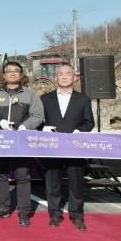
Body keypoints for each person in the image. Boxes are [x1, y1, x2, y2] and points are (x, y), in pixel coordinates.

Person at [0, 61, 44, 227]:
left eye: (16, 71)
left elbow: (38, 116)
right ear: (4, 75)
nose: (13, 73)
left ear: (21, 75)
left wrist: (25, 126)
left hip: (21, 141)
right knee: (0, 174)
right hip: (0, 140)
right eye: (9, 71)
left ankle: (24, 212)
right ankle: (3, 207)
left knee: (22, 176)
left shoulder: (30, 94)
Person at [41, 65, 94, 231]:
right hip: (52, 147)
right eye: (61, 74)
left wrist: (80, 131)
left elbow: (89, 122)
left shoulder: (83, 99)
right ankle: (54, 214)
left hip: (75, 148)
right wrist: (43, 128)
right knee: (52, 182)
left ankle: (77, 215)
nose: (64, 77)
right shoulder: (45, 99)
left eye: (68, 74)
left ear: (74, 77)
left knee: (76, 182)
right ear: (56, 77)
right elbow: (38, 120)